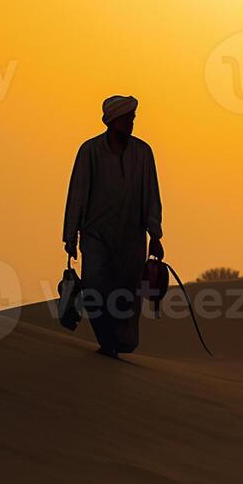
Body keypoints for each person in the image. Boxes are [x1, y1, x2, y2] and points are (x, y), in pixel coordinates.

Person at [62, 95, 164, 358]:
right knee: (95, 288)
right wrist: (70, 235)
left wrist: (155, 233)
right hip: (96, 235)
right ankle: (106, 343)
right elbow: (78, 194)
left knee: (126, 294)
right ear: (112, 121)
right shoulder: (90, 151)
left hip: (131, 238)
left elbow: (152, 195)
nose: (131, 122)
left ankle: (118, 343)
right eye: (126, 118)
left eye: (132, 118)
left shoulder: (142, 153)